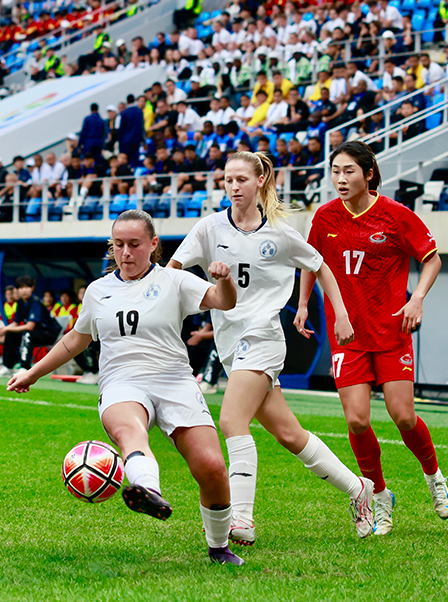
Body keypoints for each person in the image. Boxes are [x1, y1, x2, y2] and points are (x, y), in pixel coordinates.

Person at [7, 210, 244, 565]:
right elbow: (75, 339)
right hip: (122, 382)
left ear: (153, 245)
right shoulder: (98, 290)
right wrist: (34, 372)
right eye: (118, 245)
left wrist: (224, 279)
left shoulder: (174, 280)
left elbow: (224, 301)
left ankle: (218, 547)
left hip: (174, 380)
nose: (126, 253)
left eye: (134, 244)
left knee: (211, 467)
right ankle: (148, 490)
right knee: (131, 432)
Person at [168, 151, 375, 546]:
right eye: (228, 180)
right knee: (289, 434)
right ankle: (358, 490)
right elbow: (173, 272)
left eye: (241, 180)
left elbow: (320, 266)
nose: (233, 187)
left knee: (230, 421)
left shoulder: (280, 233)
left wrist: (342, 316)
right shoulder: (209, 228)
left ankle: (240, 519)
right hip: (231, 344)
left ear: (260, 180)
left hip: (263, 338)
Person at [296, 141, 448, 535]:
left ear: (369, 174)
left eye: (349, 171)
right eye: (335, 171)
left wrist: (416, 298)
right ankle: (379, 496)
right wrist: (302, 305)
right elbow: (310, 263)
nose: (340, 179)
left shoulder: (396, 215)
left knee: (403, 415)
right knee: (357, 421)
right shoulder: (325, 216)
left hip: (391, 331)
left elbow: (431, 258)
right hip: (346, 334)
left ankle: (434, 476)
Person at [0, 276, 62, 378]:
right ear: (17, 290)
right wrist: (5, 329)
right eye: (21, 288)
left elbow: (30, 326)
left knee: (27, 334)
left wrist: (7, 328)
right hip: (35, 332)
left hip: (49, 333)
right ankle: (8, 367)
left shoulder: (35, 302)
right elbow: (16, 323)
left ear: (32, 288)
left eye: (27, 287)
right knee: (11, 334)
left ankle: (24, 367)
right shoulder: (20, 302)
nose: (24, 290)